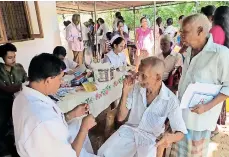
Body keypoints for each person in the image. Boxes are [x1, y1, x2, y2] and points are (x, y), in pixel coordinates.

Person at [98, 57, 187, 157]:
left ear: (158, 77)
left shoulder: (171, 100)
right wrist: (125, 92)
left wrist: (170, 137)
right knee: (104, 152)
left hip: (150, 140)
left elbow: (181, 132)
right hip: (128, 132)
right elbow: (120, 118)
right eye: (138, 74)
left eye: (143, 76)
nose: (139, 79)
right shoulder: (136, 88)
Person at [12, 53, 98, 157]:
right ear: (48, 81)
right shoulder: (44, 120)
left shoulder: (21, 97)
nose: (61, 83)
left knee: (75, 123)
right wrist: (84, 128)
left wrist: (71, 114)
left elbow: (52, 123)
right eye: (60, 79)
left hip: (40, 146)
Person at [169, 14, 229, 157]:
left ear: (200, 31)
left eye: (185, 32)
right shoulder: (189, 50)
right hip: (181, 116)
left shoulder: (220, 54)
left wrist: (207, 107)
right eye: (181, 31)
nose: (181, 35)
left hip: (199, 120)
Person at [0, 43, 27, 157]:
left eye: (14, 56)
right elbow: (4, 88)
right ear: (3, 57)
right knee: (1, 128)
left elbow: (26, 80)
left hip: (18, 100)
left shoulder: (19, 67)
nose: (13, 60)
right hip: (1, 102)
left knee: (19, 126)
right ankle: (5, 152)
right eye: (10, 58)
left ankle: (19, 149)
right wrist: (25, 86)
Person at [209, 6, 229, 137]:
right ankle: (215, 125)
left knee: (209, 101)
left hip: (213, 71)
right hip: (223, 72)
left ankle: (211, 127)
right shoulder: (226, 30)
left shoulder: (216, 30)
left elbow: (208, 51)